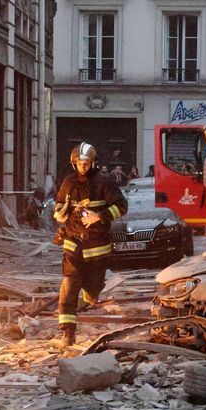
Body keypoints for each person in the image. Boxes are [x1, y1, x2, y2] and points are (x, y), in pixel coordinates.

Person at [53, 142, 128, 348]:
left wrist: (99, 216)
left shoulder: (105, 182)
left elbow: (122, 206)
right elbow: (59, 204)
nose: (82, 167)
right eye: (78, 163)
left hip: (97, 245)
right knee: (69, 283)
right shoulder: (68, 183)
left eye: (86, 163)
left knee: (93, 288)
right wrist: (60, 213)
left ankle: (90, 295)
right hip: (73, 242)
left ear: (93, 163)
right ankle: (68, 333)